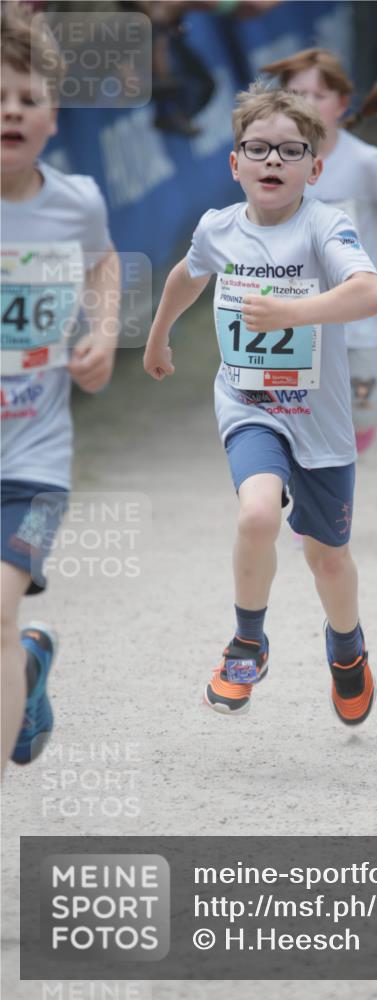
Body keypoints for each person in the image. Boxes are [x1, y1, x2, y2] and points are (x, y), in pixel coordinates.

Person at [143, 83, 377, 725]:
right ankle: (247, 641)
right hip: (249, 404)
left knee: (326, 557)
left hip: (320, 419)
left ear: (315, 166)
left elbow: (369, 293)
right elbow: (186, 275)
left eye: (289, 150)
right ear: (235, 164)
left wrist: (291, 311)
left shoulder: (326, 225)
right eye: (258, 149)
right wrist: (159, 333)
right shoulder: (218, 228)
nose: (272, 161)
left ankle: (347, 651)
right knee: (256, 514)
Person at [1, 6, 120, 775]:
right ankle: (29, 664)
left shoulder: (75, 202)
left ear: (53, 120)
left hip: (32, 459)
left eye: (27, 99)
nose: (11, 110)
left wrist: (103, 334)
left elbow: (104, 265)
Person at [261, 48, 377, 454]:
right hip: (292, 316)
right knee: (292, 418)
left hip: (357, 319)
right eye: (296, 94)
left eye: (318, 95)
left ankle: (342, 473)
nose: (307, 104)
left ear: (342, 103)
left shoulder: (366, 162)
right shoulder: (270, 161)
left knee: (358, 416)